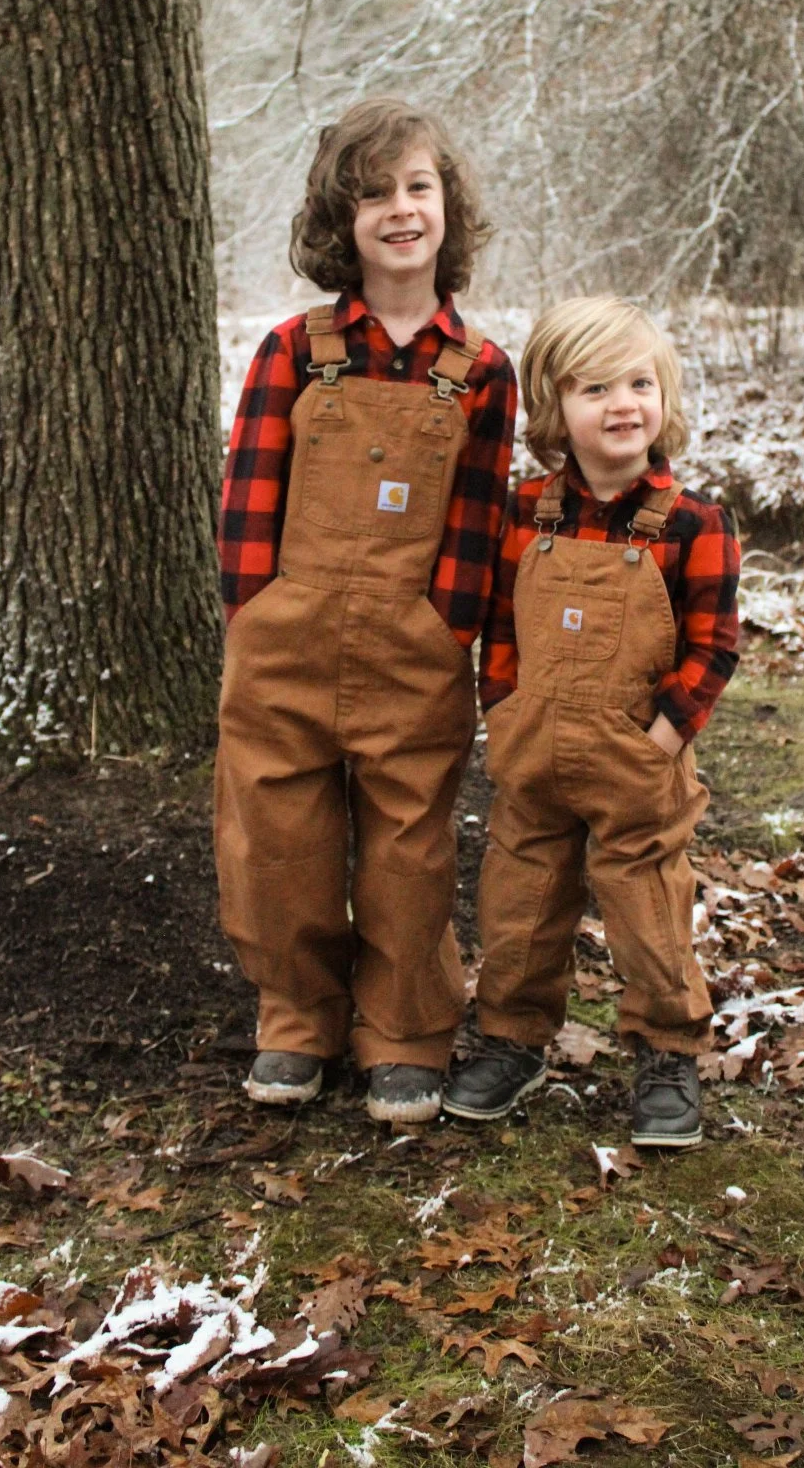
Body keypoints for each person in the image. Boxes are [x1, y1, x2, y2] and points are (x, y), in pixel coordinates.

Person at [215, 99, 516, 1124]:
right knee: (277, 839)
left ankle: (403, 1032)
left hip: (412, 640)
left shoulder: (478, 370)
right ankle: (296, 1019)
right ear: (338, 218)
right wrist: (252, 611)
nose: (399, 209)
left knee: (407, 848)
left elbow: (477, 515)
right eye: (373, 192)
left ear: (446, 207)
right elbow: (248, 494)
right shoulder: (293, 351)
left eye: (417, 187)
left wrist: (447, 624)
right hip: (285, 634)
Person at [442, 295, 739, 1146]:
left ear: (665, 396)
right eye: (595, 386)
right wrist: (504, 705)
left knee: (647, 908)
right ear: (554, 410)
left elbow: (714, 647)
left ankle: (668, 1050)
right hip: (534, 751)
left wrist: (665, 739)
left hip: (636, 759)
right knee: (518, 904)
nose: (622, 404)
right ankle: (512, 1039)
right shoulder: (526, 511)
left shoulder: (691, 524)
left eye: (640, 383)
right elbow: (500, 628)